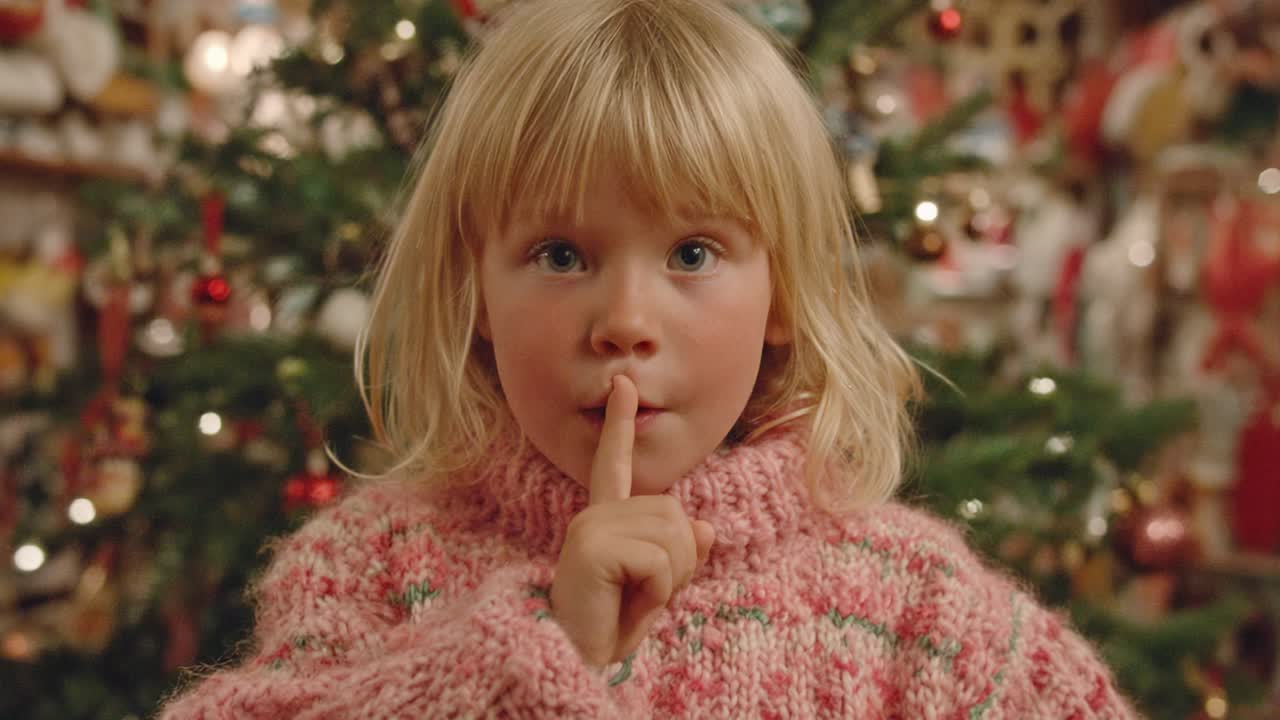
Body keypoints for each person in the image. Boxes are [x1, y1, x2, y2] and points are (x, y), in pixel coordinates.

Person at [160, 0, 1137, 717]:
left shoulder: (911, 600)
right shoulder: (365, 568)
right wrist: (533, 652)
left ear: (783, 298)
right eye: (559, 255)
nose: (623, 320)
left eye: (691, 254)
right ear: (476, 297)